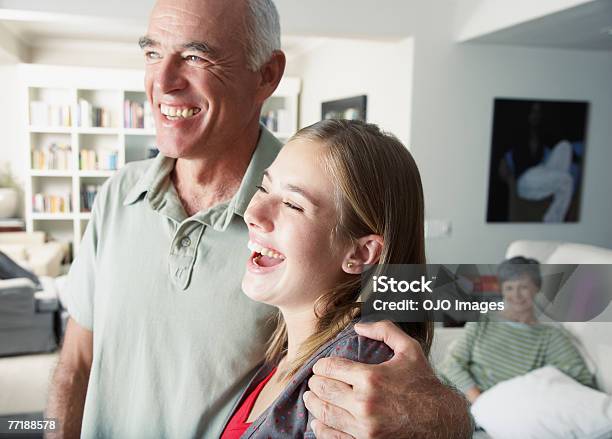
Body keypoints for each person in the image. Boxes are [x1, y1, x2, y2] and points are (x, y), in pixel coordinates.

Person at [46, 0, 472, 437]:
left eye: (196, 56)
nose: (164, 82)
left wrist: (448, 414)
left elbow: (474, 292)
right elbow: (76, 363)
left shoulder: (318, 190)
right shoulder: (118, 193)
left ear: (267, 75)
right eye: (152, 52)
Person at [221, 119, 434, 437]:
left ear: (361, 254)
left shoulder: (353, 377)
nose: (252, 213)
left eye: (293, 204)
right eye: (263, 187)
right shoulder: (286, 354)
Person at [440, 256, 595, 404]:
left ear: (537, 287)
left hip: (498, 409)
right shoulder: (483, 319)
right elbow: (452, 363)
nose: (516, 295)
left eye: (524, 287)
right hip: (459, 396)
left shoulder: (549, 336)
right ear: (502, 290)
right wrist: (478, 400)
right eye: (509, 288)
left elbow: (582, 382)